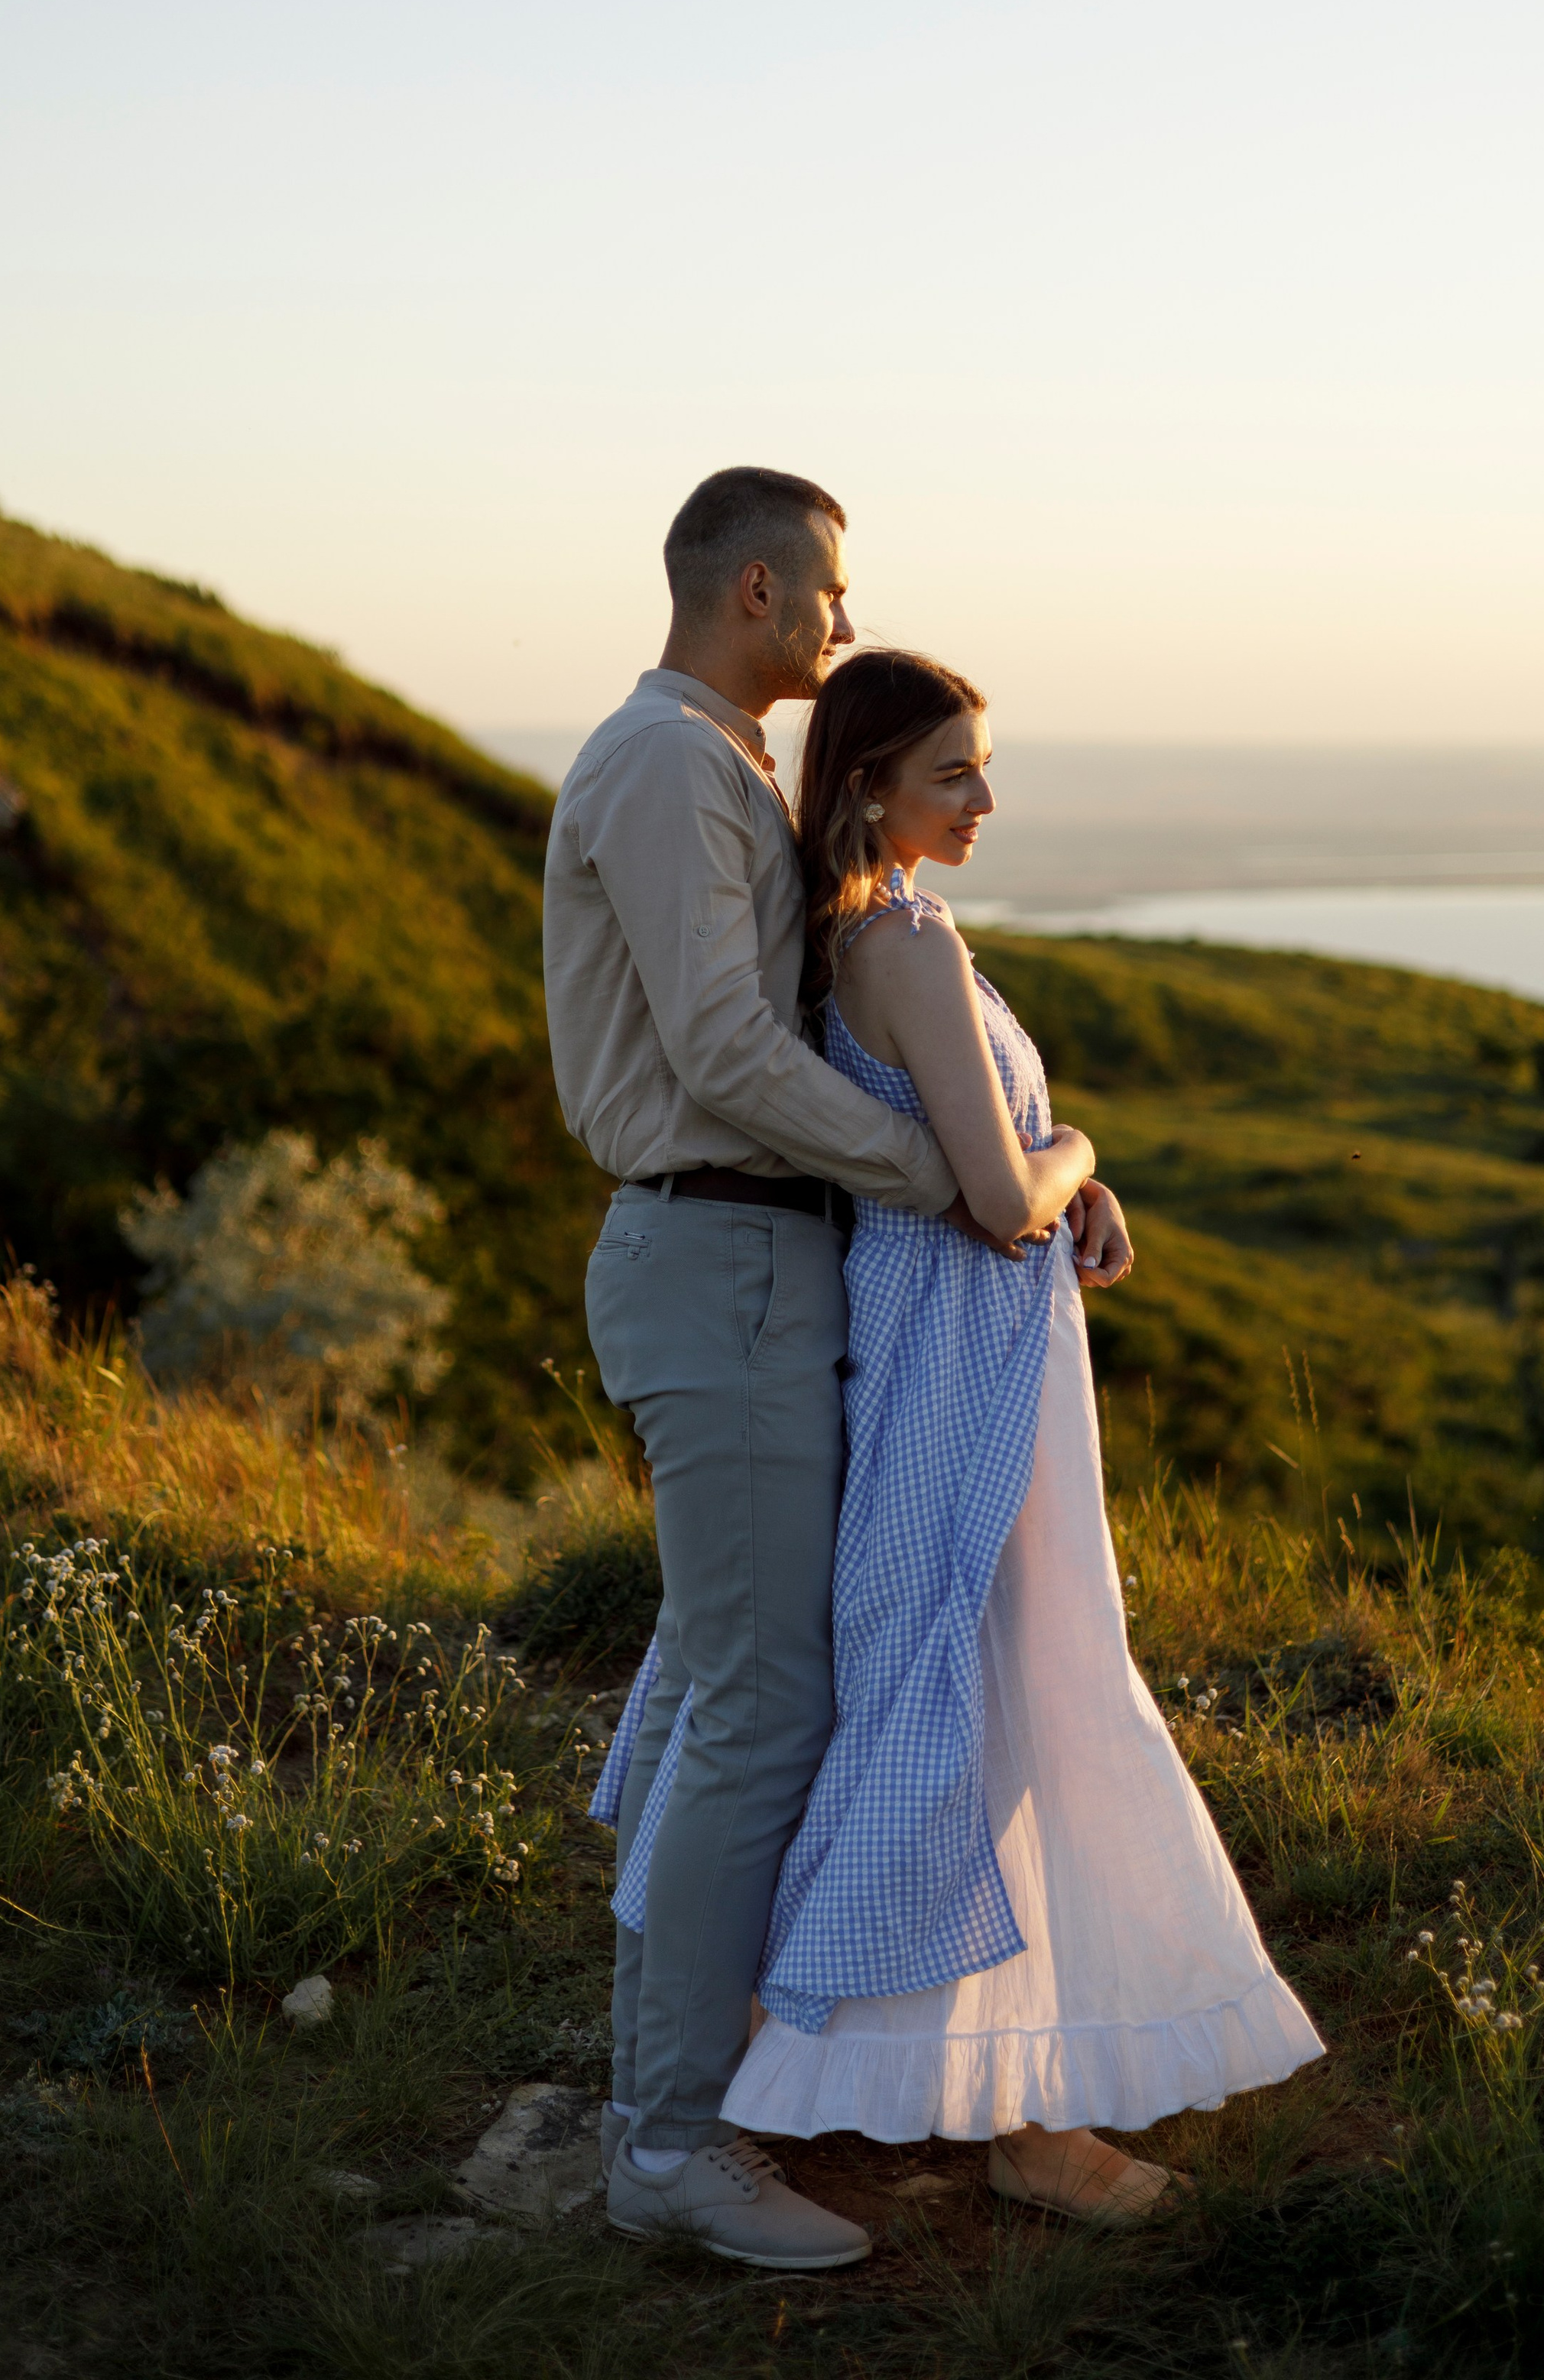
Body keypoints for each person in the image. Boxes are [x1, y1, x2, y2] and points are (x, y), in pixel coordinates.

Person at [602, 648, 1324, 2223]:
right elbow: (998, 1196)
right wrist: (1081, 1149)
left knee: (966, 1698)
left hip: (941, 1350)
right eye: (952, 773)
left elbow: (971, 1159)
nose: (983, 798)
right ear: (869, 786)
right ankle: (1025, 2115)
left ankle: (980, 2087)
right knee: (1019, 1696)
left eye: (982, 768)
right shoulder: (906, 944)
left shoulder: (849, 939)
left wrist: (1073, 1183)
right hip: (965, 1368)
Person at [547, 470, 1127, 2271]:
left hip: (763, 1262)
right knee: (757, 1703)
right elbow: (720, 1053)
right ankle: (667, 2144)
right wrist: (957, 1187)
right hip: (717, 1254)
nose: (841, 624)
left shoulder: (722, 774)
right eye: (825, 594)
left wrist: (1004, 1180)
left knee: (746, 1692)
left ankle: (703, 2083)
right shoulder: (668, 764)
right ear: (751, 588)